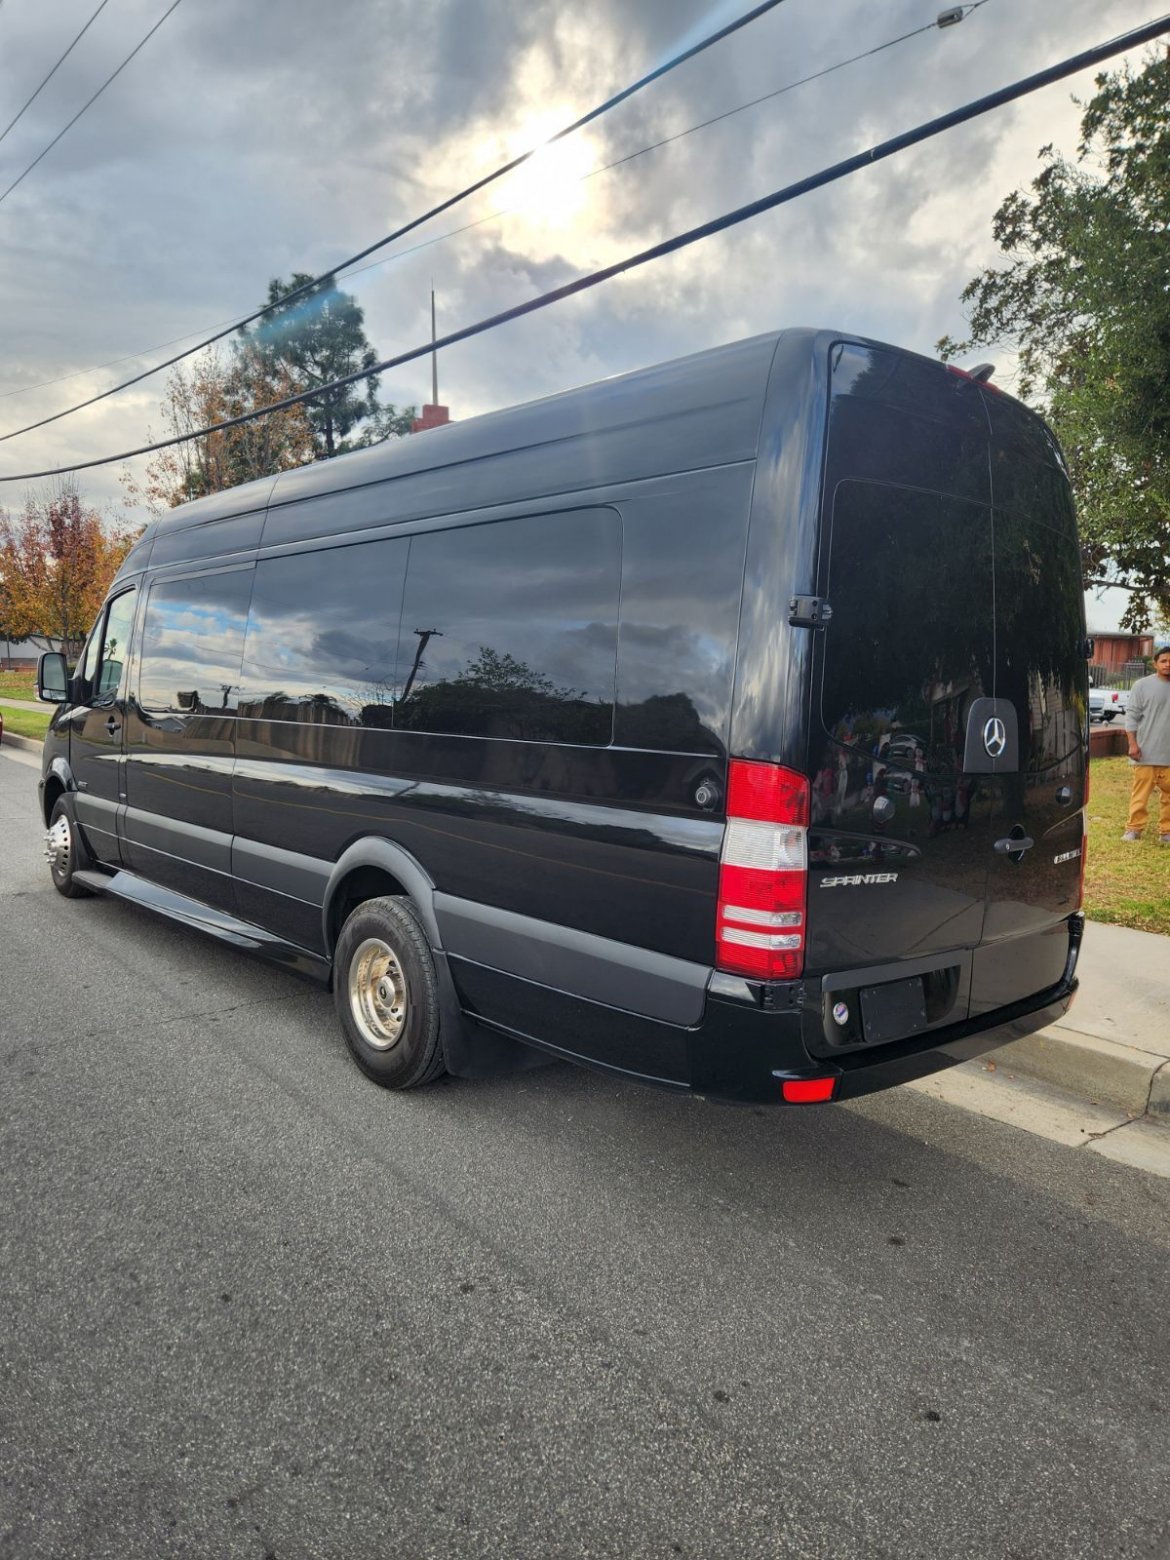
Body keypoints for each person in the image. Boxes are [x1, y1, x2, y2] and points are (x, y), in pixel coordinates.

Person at [1122, 645, 1170, 843]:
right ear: (1155, 664)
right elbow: (1131, 716)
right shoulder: (1141, 686)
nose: (1168, 664)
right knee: (1140, 794)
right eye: (1164, 661)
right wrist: (1132, 744)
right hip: (1145, 753)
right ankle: (1134, 829)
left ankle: (1167, 831)